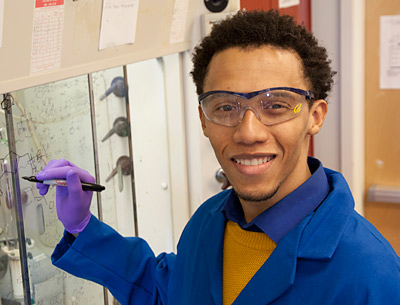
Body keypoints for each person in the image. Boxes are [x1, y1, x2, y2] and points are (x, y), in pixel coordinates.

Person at [36, 10, 400, 305]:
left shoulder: (370, 275)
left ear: (315, 116)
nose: (248, 132)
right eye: (226, 106)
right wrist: (83, 228)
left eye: (275, 105)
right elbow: (169, 293)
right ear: (203, 120)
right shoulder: (209, 223)